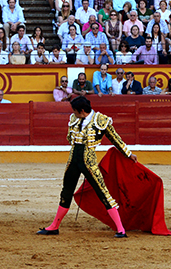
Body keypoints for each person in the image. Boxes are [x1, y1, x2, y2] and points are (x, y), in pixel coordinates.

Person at [37, 96, 136, 238]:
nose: (73, 113)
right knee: (66, 192)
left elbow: (115, 138)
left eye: (75, 111)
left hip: (88, 161)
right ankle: (54, 226)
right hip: (73, 160)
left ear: (82, 110)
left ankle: (121, 229)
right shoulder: (74, 118)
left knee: (103, 192)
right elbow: (69, 138)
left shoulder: (101, 120)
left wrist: (128, 153)